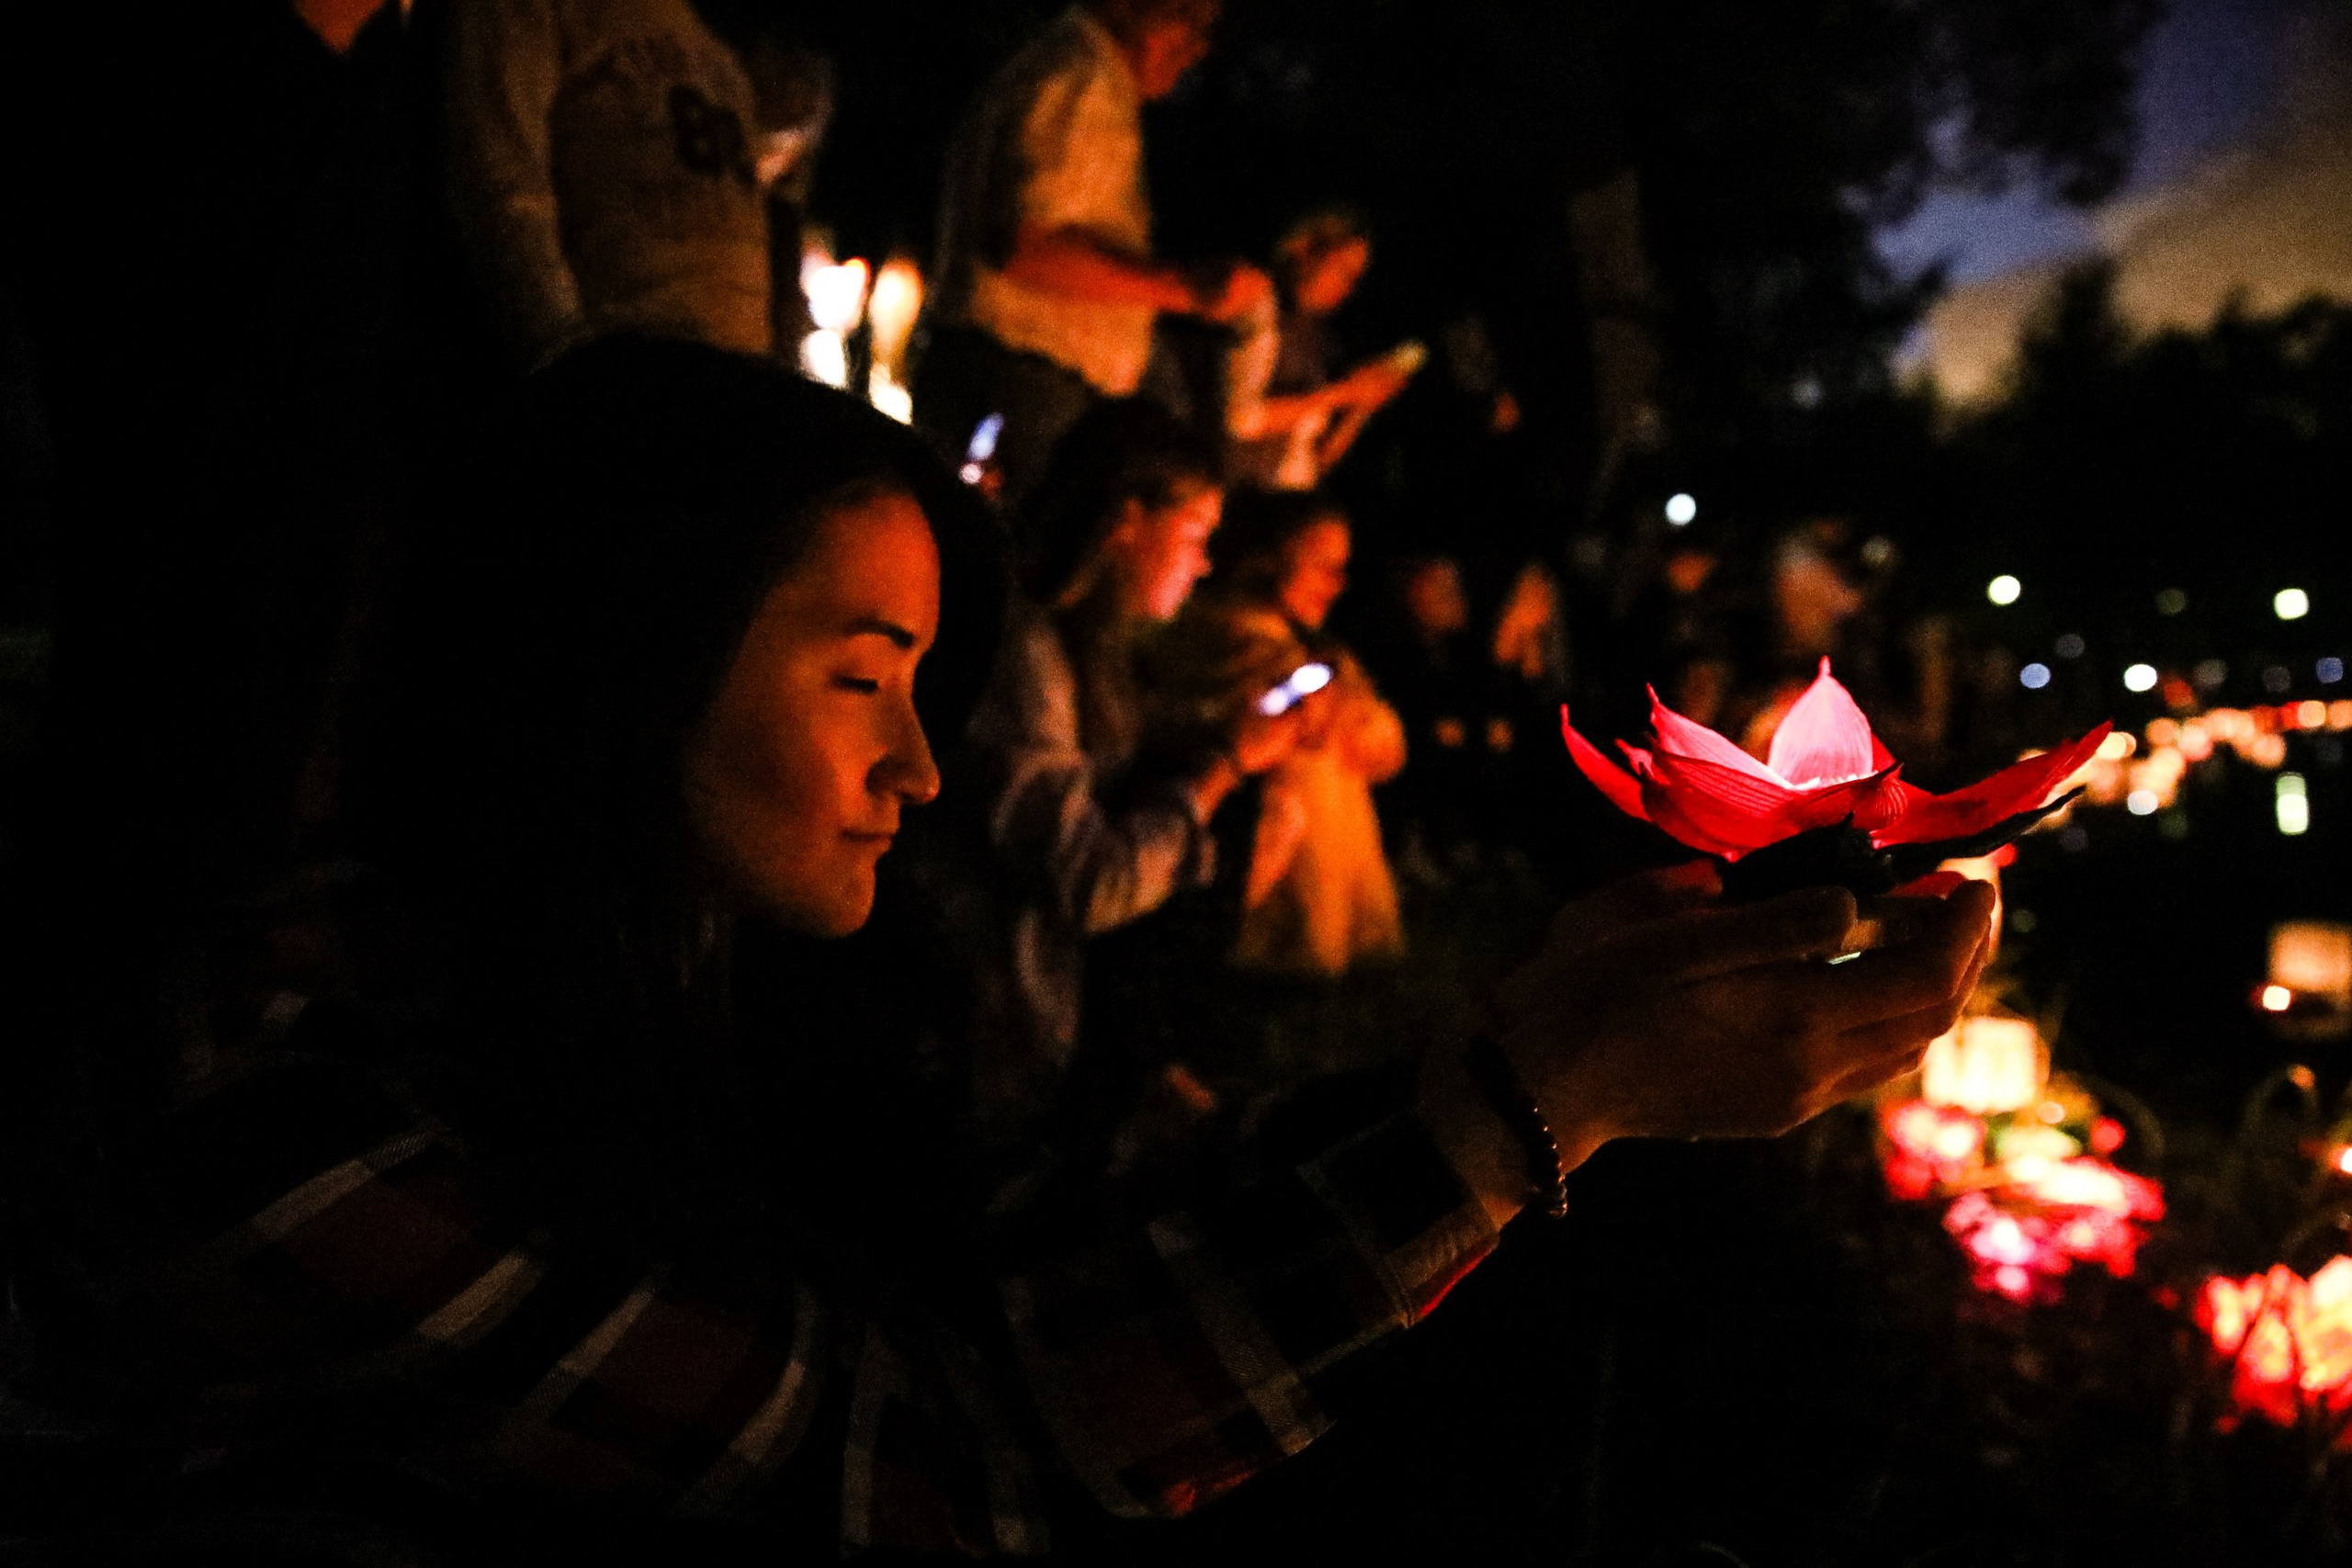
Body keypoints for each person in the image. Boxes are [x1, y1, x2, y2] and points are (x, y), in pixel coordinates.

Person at [7, 339, 1996, 1560]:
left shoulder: (673, 987)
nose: (921, 769)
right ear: (616, 661)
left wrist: (1536, 1050)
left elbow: (1020, 1248)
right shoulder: (266, 1119)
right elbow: (922, 1469)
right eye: (864, 674)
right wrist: (1534, 1105)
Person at [930, 400, 1293, 1151]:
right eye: (1194, 535)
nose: (1204, 563)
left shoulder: (1091, 644)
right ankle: (1126, 1089)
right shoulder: (1027, 659)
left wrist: (1225, 737)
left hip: (1062, 963)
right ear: (1127, 520)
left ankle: (1160, 1063)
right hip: (1000, 1004)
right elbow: (1091, 881)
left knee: (1222, 778)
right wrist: (1224, 763)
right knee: (1220, 789)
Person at [916, 0, 1270, 506]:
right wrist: (1187, 291)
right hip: (1027, 385)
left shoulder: (1080, 73)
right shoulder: (1081, 76)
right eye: (1190, 23)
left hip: (1029, 386)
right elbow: (1026, 248)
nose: (1198, 49)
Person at [444, 0, 775, 368]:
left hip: (736, 377)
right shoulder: (527, 11)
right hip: (627, 375)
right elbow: (506, 189)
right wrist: (567, 366)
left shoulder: (695, 29)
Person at [1197, 494, 1408, 975]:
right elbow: (1319, 724)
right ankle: (1291, 948)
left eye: (1342, 569)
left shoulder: (1310, 646)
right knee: (1308, 769)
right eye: (1321, 567)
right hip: (1239, 828)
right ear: (1269, 562)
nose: (1336, 585)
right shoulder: (1237, 635)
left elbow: (1379, 741)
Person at [1226, 209, 1418, 492]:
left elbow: (1319, 458)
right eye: (1343, 271)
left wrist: (1361, 405)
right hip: (1244, 490)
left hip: (1288, 496)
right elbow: (1240, 418)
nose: (1348, 287)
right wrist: (1344, 393)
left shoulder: (1317, 337)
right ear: (1303, 248)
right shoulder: (1261, 306)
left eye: (1355, 278)